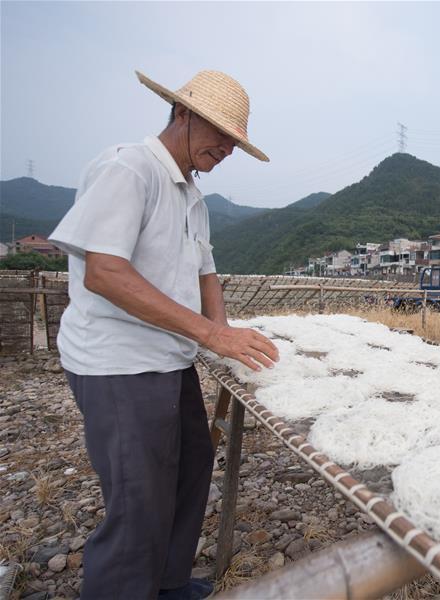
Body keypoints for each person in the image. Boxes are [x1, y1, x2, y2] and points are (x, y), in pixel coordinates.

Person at [49, 70, 280, 600]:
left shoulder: (190, 193)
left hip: (166, 356)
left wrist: (221, 333)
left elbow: (205, 272)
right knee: (139, 499)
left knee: (190, 466)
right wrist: (210, 335)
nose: (225, 148)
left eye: (234, 141)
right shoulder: (129, 168)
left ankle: (168, 584)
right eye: (219, 133)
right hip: (118, 363)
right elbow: (103, 272)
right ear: (182, 114)